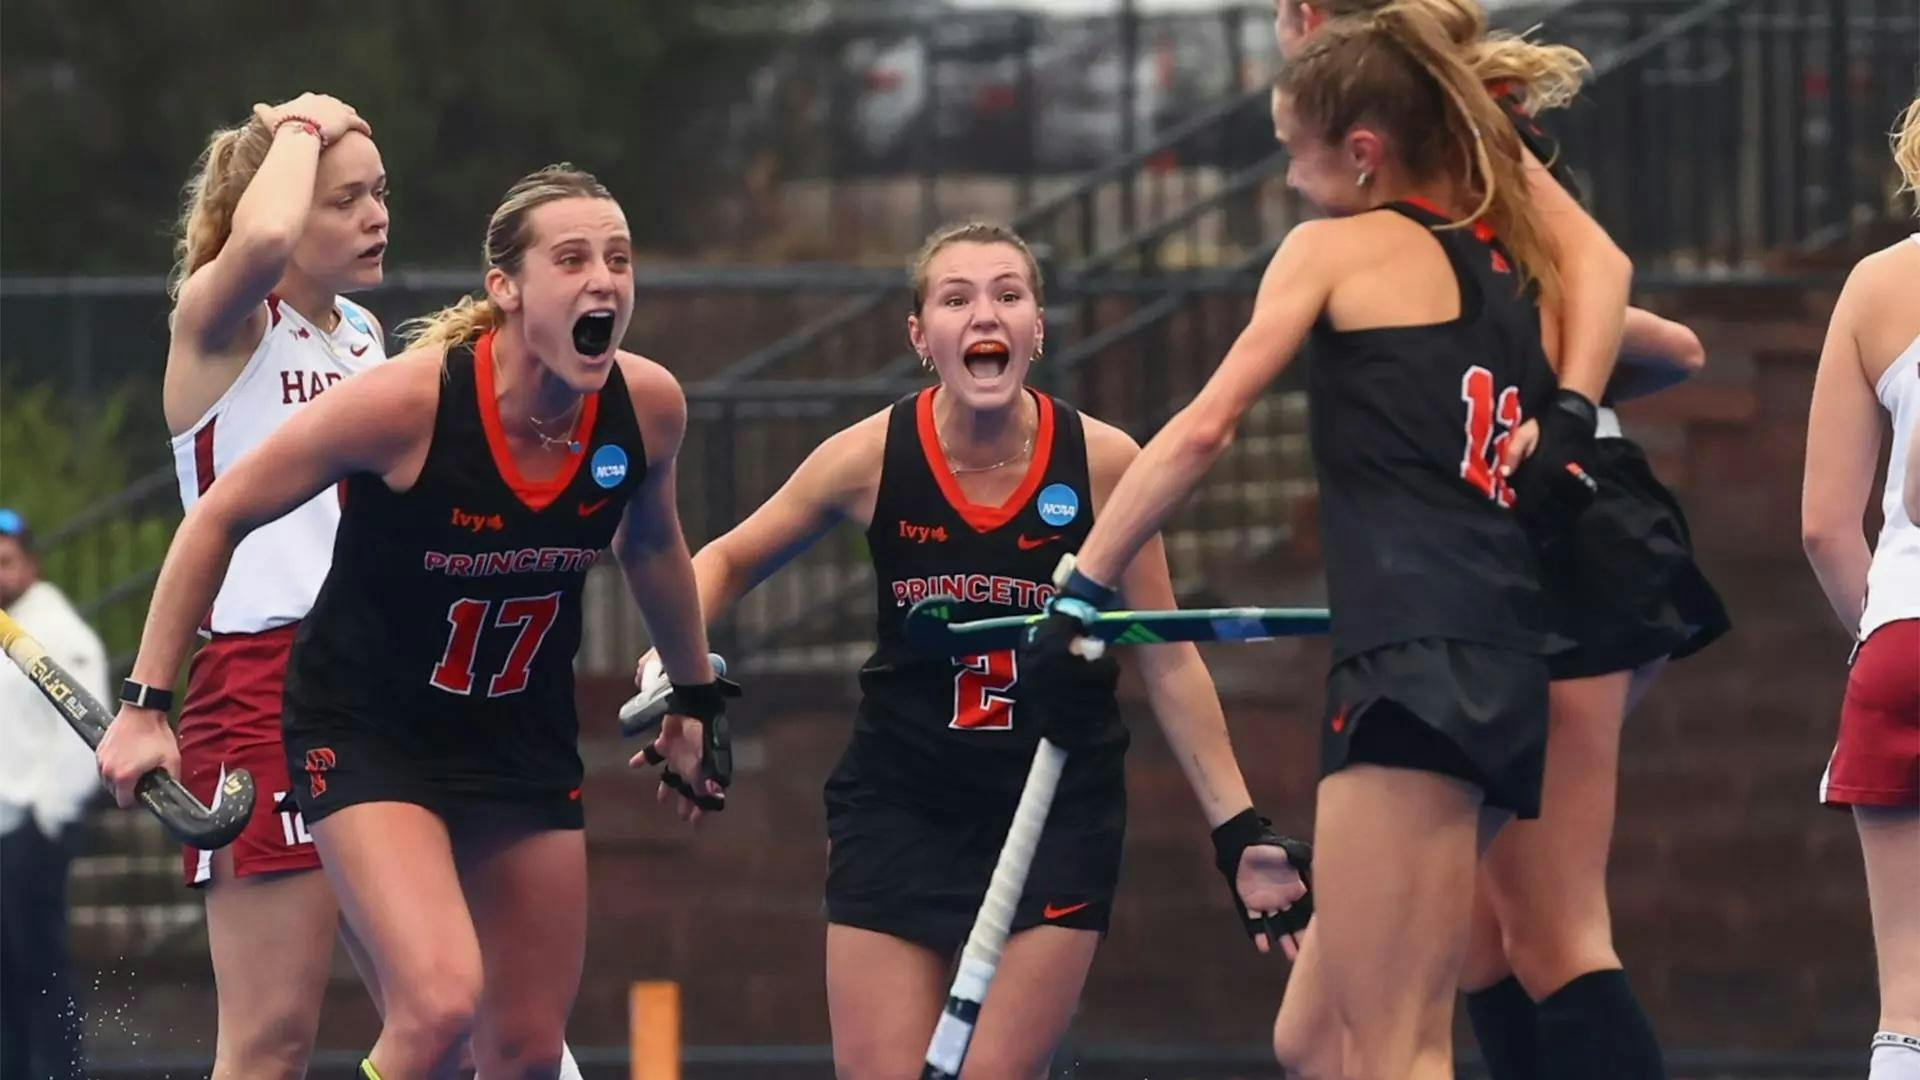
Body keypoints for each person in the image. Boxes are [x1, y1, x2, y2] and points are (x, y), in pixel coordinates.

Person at [1023, 6, 1575, 1075]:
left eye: (1293, 154)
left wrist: (1082, 584)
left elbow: (1202, 429)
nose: (1285, 182)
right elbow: (1651, 343)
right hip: (1501, 659)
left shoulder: (1331, 249)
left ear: (1364, 153)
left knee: (1396, 1044)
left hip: (1414, 662)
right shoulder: (1499, 268)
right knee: (1313, 1037)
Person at [97, 163, 731, 1080]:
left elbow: (653, 548)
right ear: (506, 290)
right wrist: (147, 705)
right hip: (368, 729)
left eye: (620, 259)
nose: (603, 279)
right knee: (436, 1004)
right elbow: (219, 515)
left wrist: (696, 693)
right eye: (573, 258)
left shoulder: (648, 408)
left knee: (522, 1050)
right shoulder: (412, 403)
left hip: (517, 734)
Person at [636, 220, 1309, 1079]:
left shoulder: (1106, 464)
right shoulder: (871, 456)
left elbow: (1168, 656)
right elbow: (726, 558)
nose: (983, 313)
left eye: (1008, 294)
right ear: (922, 337)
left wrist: (1238, 830)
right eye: (955, 298)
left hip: (1050, 812)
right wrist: (673, 670)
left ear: (1037, 328)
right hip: (899, 805)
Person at [1273, 5, 1732, 1075]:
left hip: (1561, 537)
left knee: (1547, 928)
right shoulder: (1383, 214)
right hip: (1482, 560)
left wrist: (1565, 412)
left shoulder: (1448, 123)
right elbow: (1656, 338)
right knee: (1452, 957)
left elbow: (1607, 277)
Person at [155, 91, 396, 1080]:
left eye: (381, 193)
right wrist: (298, 126)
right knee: (272, 1040)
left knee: (448, 1012)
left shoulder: (366, 337)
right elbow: (256, 243)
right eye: (345, 200)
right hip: (264, 692)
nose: (377, 216)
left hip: (378, 692)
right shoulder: (222, 325)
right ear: (288, 206)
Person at [1801, 95, 1920, 1080]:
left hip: (1901, 643)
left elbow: (1824, 525)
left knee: (1908, 1008)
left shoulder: (1876, 283)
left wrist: (1879, 634)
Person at [0, 509, 99, 1080]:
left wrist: (48, 819)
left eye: (7, 561)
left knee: (43, 969)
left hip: (33, 833)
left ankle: (64, 1072)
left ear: (31, 564)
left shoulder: (58, 633)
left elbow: (83, 736)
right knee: (6, 981)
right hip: (5, 828)